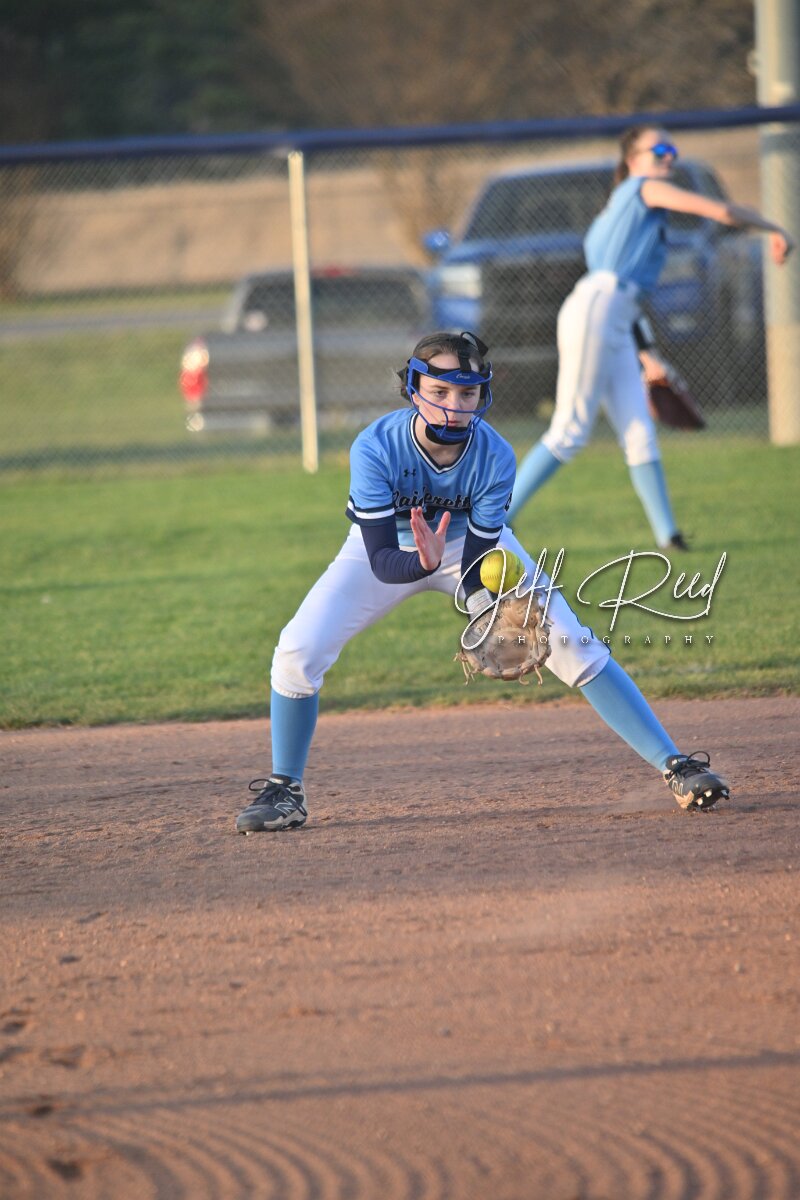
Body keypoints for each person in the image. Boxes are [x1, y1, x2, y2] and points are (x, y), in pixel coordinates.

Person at [236, 330, 730, 833]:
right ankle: (285, 791)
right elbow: (381, 559)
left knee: (573, 644)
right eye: (440, 391)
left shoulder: (495, 455)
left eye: (467, 393)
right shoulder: (376, 447)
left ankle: (676, 765)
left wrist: (481, 609)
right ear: (413, 390)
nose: (454, 407)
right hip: (387, 548)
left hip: (473, 550)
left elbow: (477, 560)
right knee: (298, 649)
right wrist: (422, 563)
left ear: (482, 395)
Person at [507, 125, 795, 547]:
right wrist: (774, 228)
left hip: (615, 316)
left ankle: (669, 535)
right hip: (597, 310)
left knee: (639, 431)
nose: (669, 156)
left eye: (672, 149)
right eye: (659, 149)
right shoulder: (644, 187)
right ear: (633, 161)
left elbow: (626, 295)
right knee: (570, 430)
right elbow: (721, 211)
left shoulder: (623, 209)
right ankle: (496, 518)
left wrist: (647, 354)